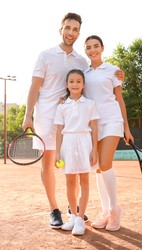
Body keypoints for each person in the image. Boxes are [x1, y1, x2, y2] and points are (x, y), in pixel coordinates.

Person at [22, 12, 124, 229]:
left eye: (75, 29)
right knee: (49, 162)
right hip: (46, 117)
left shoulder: (80, 60)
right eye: (67, 28)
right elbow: (34, 86)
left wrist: (120, 75)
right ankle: (54, 209)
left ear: (79, 33)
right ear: (60, 29)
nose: (71, 32)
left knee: (76, 164)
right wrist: (27, 114)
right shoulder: (45, 55)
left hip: (72, 119)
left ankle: (74, 209)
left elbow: (98, 77)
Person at [83, 35, 134, 231]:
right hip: (94, 125)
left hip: (113, 120)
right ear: (86, 51)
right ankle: (105, 211)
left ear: (102, 48)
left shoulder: (113, 70)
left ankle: (114, 210)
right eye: (88, 47)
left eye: (96, 46)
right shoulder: (84, 72)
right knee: (97, 167)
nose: (92, 50)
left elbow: (119, 100)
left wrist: (126, 128)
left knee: (105, 163)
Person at [54, 69, 99, 235]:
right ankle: (73, 216)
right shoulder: (62, 106)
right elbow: (59, 130)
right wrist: (57, 152)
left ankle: (80, 218)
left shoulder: (90, 104)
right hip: (68, 144)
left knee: (84, 181)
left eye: (78, 81)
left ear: (83, 85)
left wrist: (95, 149)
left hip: (84, 142)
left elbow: (94, 128)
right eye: (71, 81)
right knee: (70, 182)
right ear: (67, 84)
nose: (75, 84)